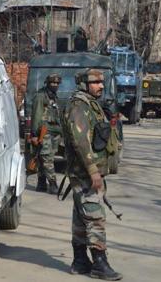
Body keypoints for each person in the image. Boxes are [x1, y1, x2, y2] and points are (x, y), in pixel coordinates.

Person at [61, 69, 122, 280]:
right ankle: (99, 263)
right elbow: (81, 142)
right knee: (95, 217)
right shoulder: (79, 107)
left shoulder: (89, 104)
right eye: (95, 82)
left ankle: (80, 261)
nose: (101, 86)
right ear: (83, 84)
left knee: (81, 217)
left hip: (84, 172)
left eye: (101, 82)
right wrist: (94, 171)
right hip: (86, 173)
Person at [31, 73, 62, 194]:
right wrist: (34, 134)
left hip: (54, 132)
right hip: (44, 132)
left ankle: (41, 183)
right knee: (46, 158)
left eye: (57, 83)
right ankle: (53, 184)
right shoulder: (41, 96)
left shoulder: (53, 96)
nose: (55, 85)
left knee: (44, 158)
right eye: (52, 83)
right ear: (47, 83)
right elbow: (36, 115)